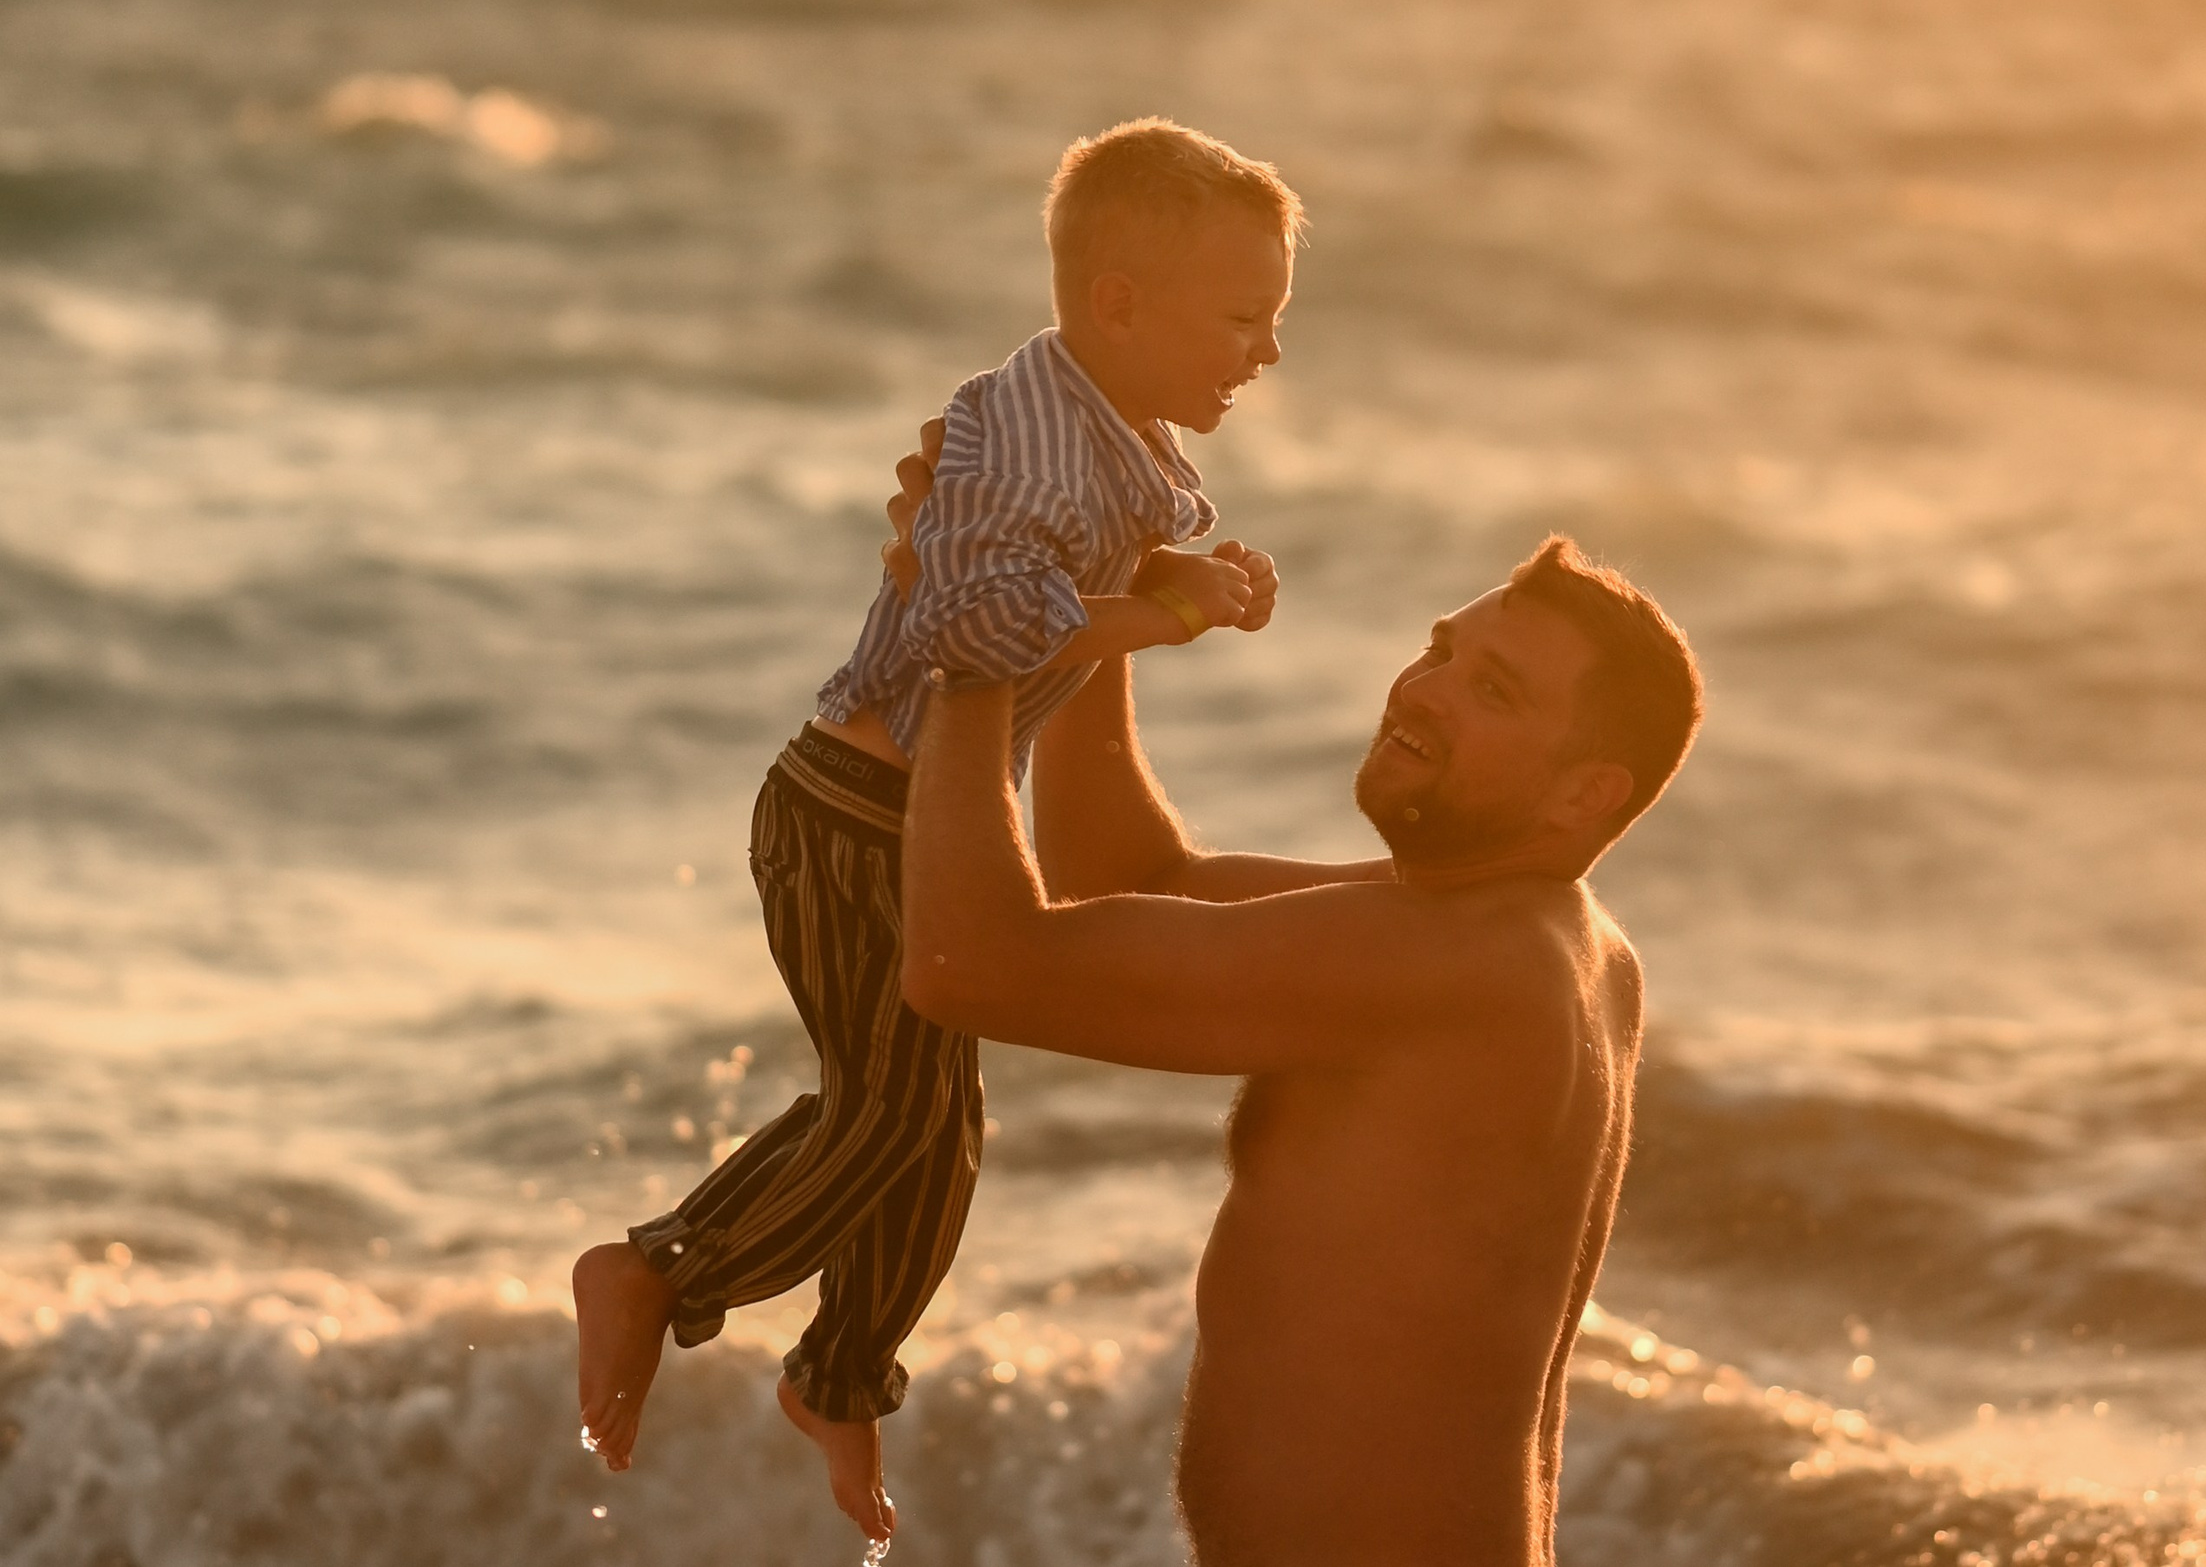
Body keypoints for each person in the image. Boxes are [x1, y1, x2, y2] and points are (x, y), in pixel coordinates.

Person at [571, 118, 1301, 1541]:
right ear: (1119, 305)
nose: (1264, 353)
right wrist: (1169, 610)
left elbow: (1062, 573)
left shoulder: (1103, 429)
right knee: (892, 1105)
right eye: (1244, 318)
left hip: (902, 820)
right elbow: (977, 623)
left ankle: (838, 1374)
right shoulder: (1026, 438)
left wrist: (1187, 572)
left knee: (932, 1125)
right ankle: (658, 1268)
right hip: (851, 814)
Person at [900, 531, 1705, 1565]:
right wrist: (1094, 607)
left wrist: (964, 654)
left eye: (1492, 691)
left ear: (1585, 794)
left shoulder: (1467, 967)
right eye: (1439, 650)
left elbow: (965, 965)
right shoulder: (1536, 939)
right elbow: (1122, 875)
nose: (1422, 691)